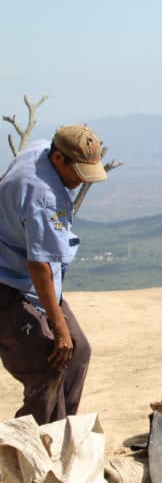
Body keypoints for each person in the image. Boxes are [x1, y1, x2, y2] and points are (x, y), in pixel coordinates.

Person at [0, 124, 107, 425]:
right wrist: (59, 329)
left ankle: (59, 433)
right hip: (9, 284)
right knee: (47, 363)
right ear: (59, 159)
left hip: (29, 279)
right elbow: (40, 266)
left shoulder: (40, 148)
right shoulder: (43, 197)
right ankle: (27, 452)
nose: (79, 183)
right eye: (78, 173)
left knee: (78, 350)